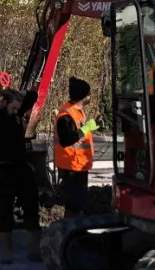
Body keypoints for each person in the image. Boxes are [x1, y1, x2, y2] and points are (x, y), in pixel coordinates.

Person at [0, 86, 41, 264]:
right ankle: (7, 251)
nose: (16, 111)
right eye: (13, 107)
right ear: (4, 104)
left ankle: (33, 250)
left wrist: (17, 93)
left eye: (18, 109)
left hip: (21, 167)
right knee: (4, 210)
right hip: (2, 170)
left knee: (31, 205)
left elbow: (34, 96)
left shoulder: (18, 115)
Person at [54, 77, 97, 218]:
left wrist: (90, 128)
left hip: (78, 166)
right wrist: (87, 128)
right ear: (82, 97)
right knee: (73, 207)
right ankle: (70, 234)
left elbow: (80, 135)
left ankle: (74, 233)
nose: (90, 96)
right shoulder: (65, 115)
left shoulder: (77, 111)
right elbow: (67, 139)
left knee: (77, 205)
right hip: (71, 168)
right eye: (88, 94)